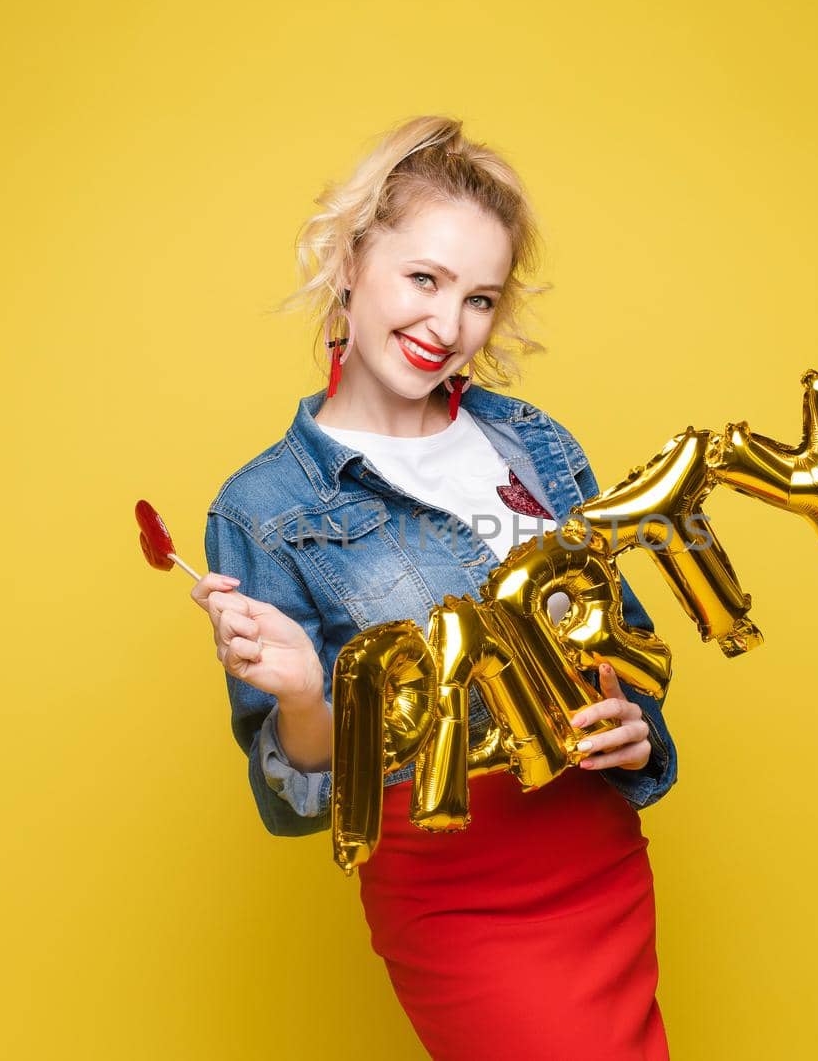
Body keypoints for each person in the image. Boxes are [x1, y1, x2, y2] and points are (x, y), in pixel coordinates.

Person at [191, 114, 679, 1060]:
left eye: (480, 298)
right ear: (349, 262)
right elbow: (294, 797)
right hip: (461, 892)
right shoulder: (265, 508)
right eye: (425, 279)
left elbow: (630, 642)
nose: (447, 326)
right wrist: (303, 696)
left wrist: (632, 726)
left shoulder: (533, 443)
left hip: (597, 854)